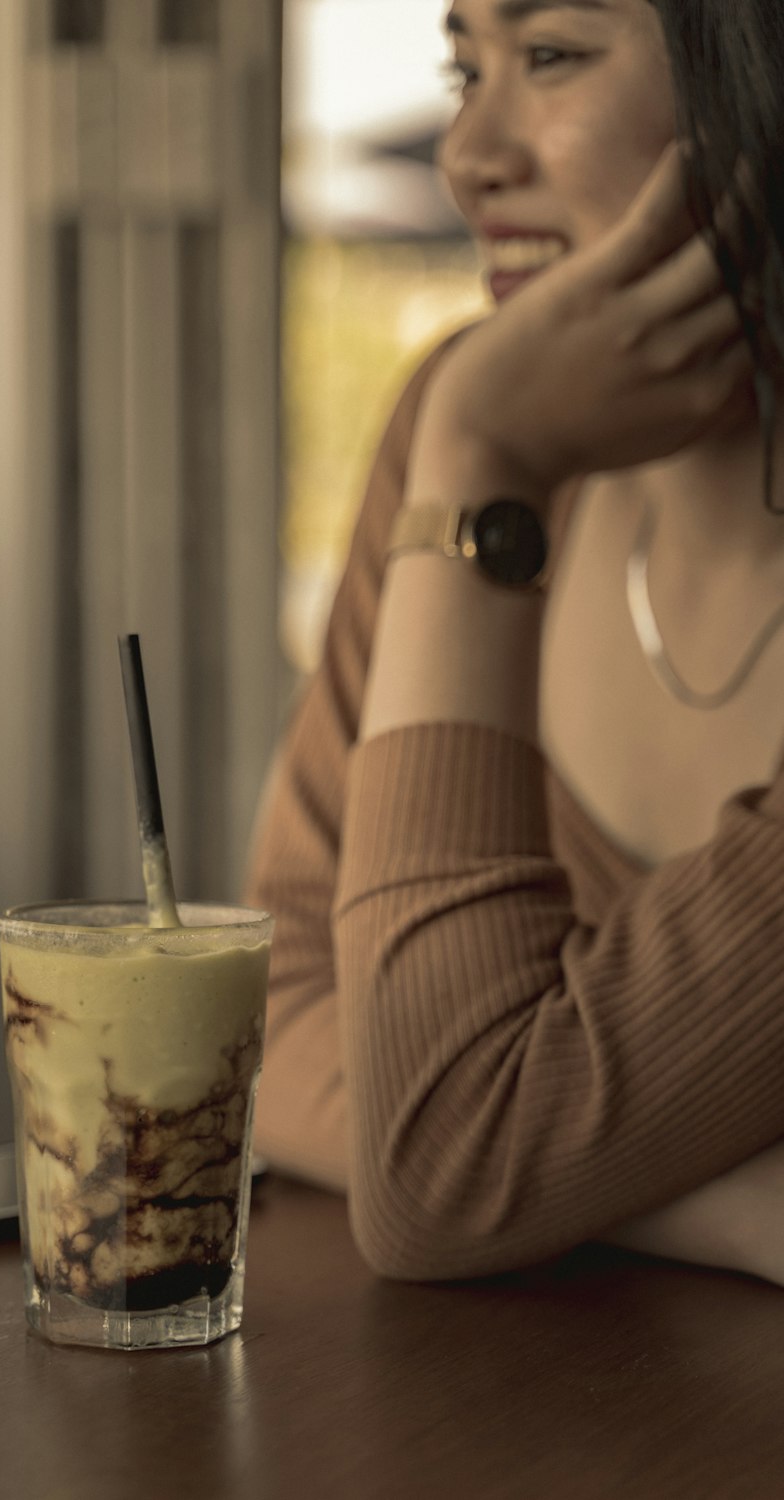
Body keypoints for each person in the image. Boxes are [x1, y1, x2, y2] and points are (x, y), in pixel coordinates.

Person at [244, 0, 784, 1287]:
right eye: (460, 66)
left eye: (550, 56)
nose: (466, 153)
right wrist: (736, 1205)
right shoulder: (465, 420)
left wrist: (487, 472)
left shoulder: (483, 442)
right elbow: (277, 1012)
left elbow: (444, 1158)